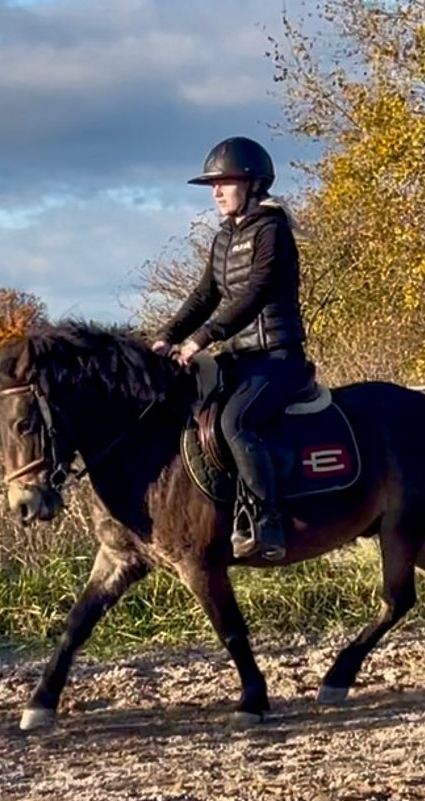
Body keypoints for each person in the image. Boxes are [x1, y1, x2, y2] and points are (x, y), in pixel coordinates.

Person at [152, 136, 310, 561]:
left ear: (254, 184)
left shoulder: (272, 230)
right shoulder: (224, 237)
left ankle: (267, 522)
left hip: (278, 357)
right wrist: (165, 336)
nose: (216, 192)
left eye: (225, 182)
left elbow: (255, 292)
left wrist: (203, 338)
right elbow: (204, 295)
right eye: (213, 185)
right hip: (241, 359)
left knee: (236, 422)